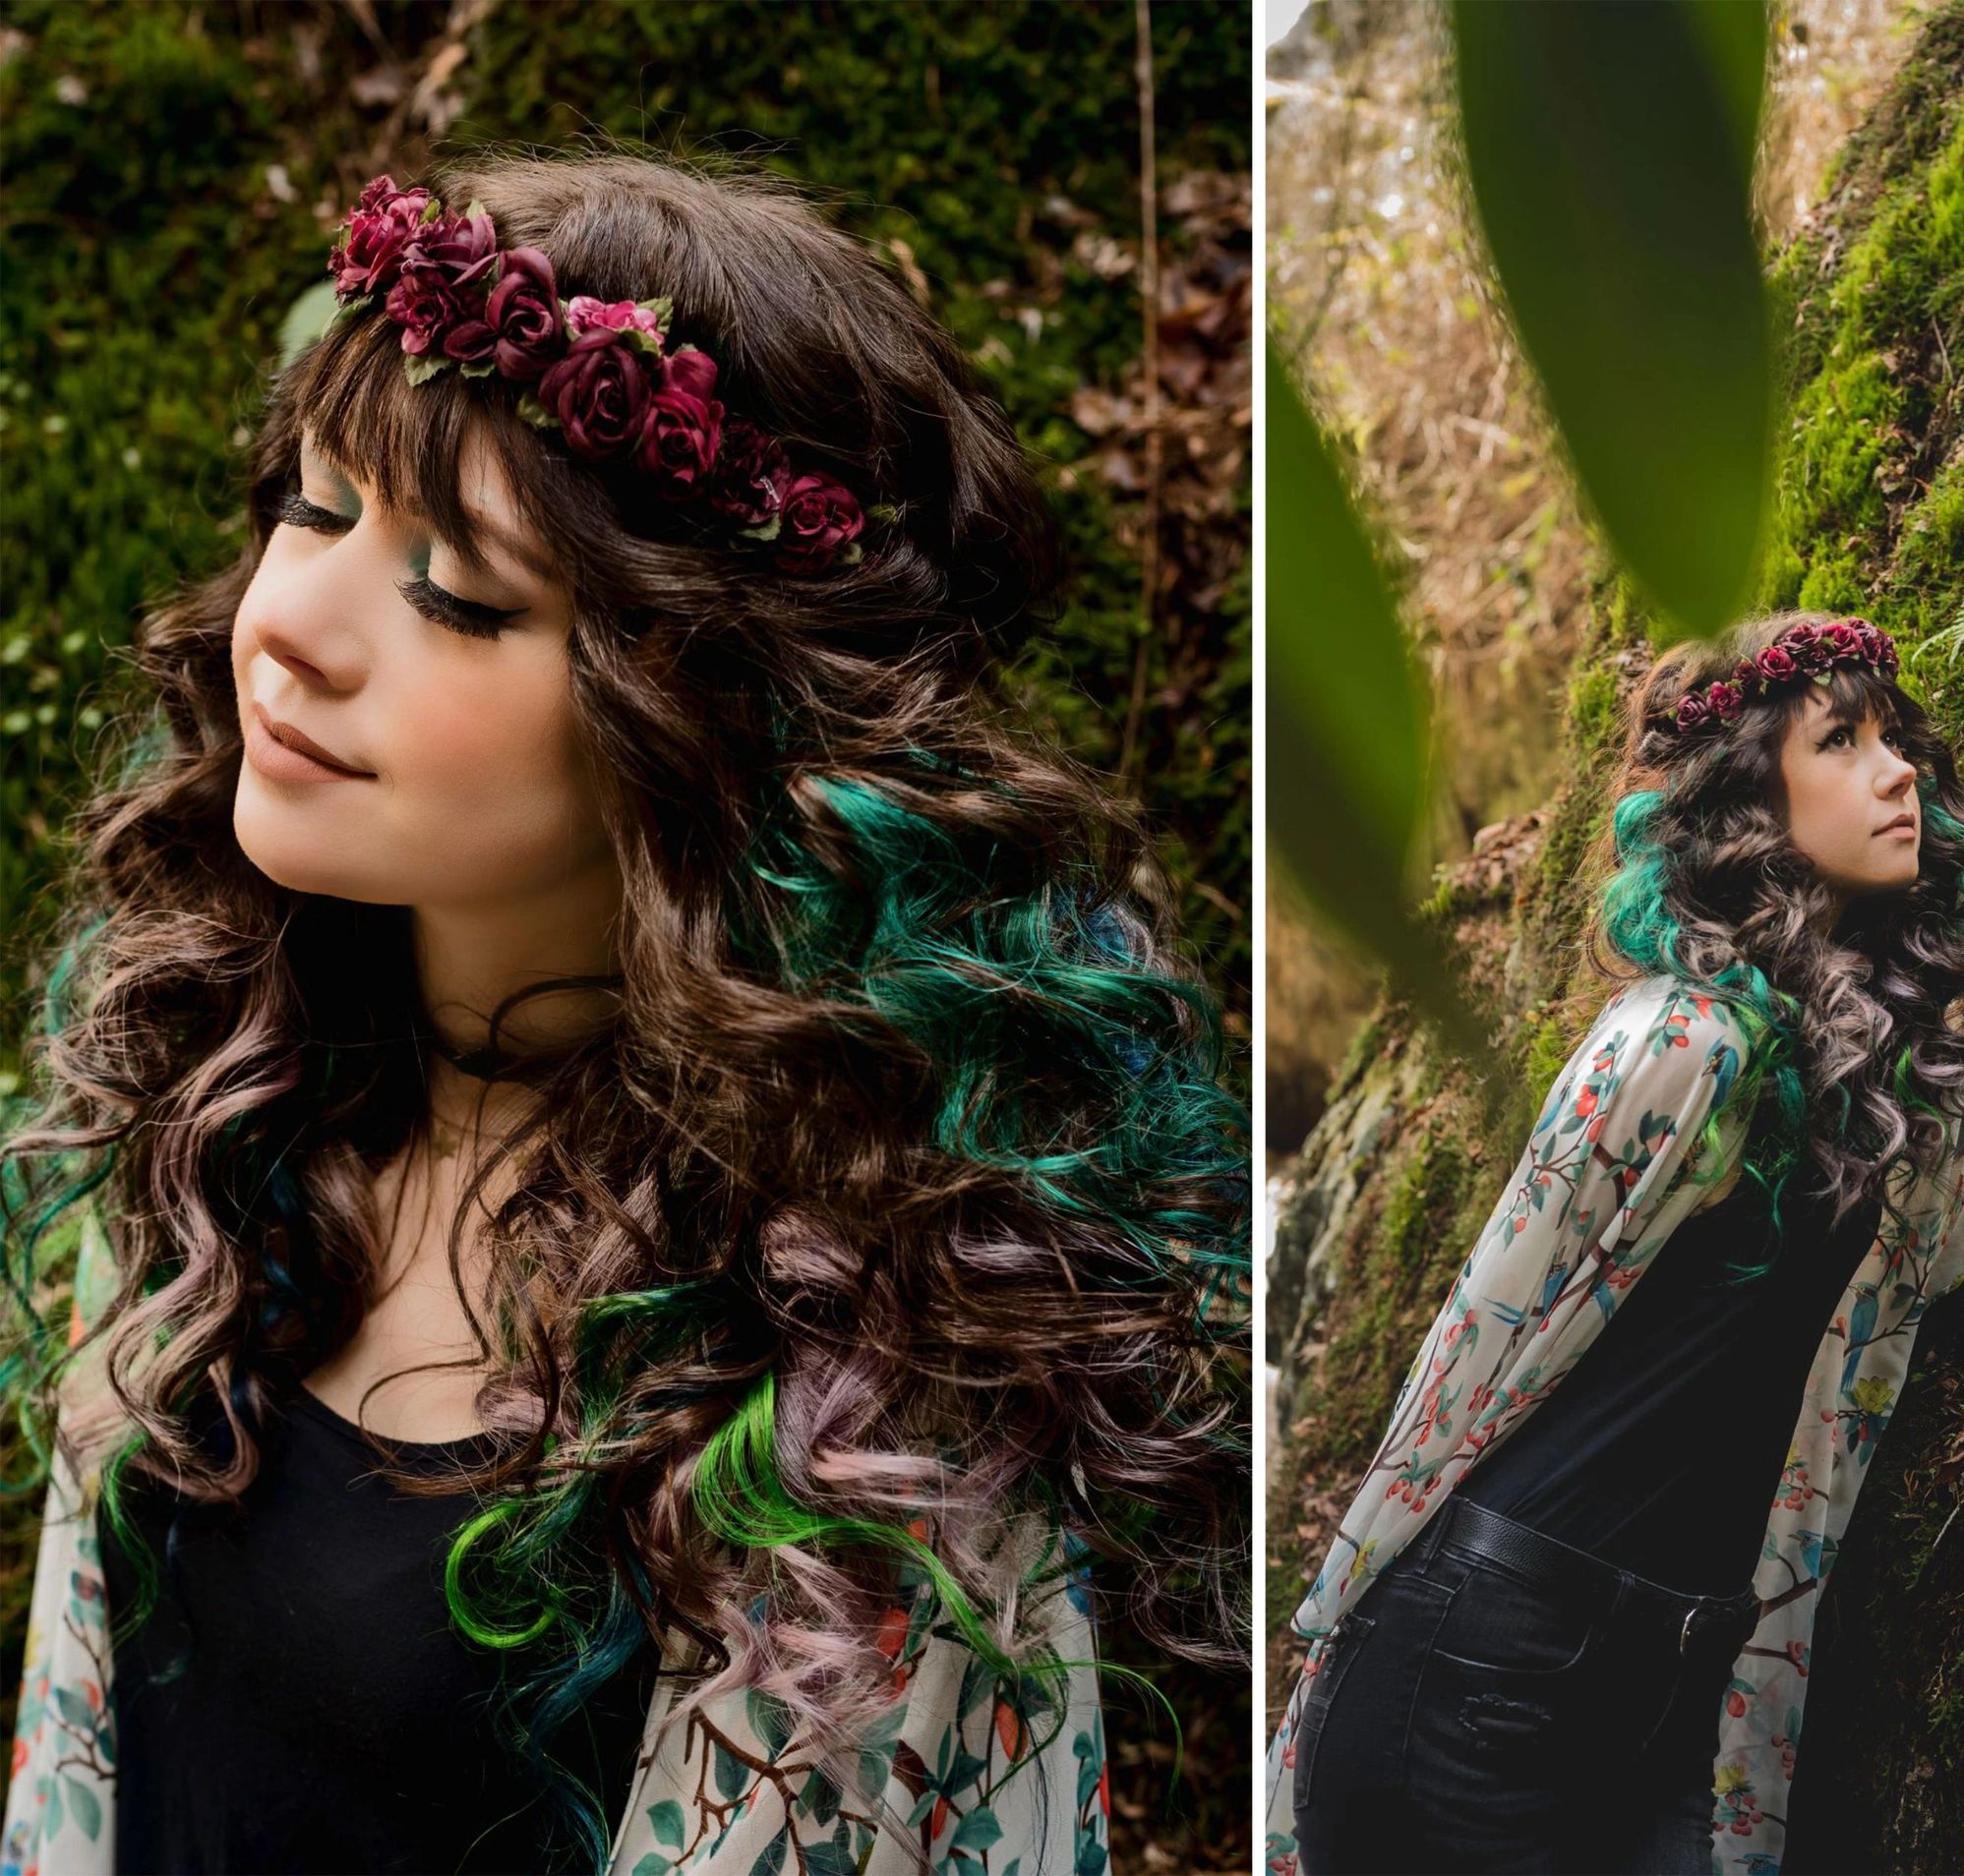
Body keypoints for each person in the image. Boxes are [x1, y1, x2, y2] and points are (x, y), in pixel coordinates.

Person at [0, 149, 1247, 1876]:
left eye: (459, 592)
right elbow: (75, 1754)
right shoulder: (205, 1090)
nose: (293, 629)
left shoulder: (876, 1369)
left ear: (702, 703)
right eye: (311, 505)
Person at [1263, 612, 1964, 1876]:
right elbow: (1478, 1339)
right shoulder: (1682, 1044)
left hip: (1686, 1659)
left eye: (1897, 741)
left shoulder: (1880, 1044)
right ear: (1747, 800)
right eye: (1841, 743)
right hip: (1483, 1655)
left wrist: (1950, 908)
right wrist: (1338, 1615)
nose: (1897, 773)